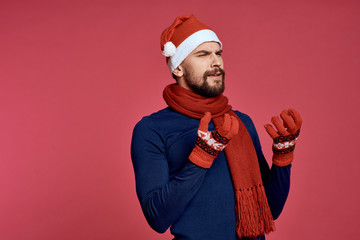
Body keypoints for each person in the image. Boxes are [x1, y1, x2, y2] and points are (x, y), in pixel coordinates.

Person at [131, 14, 302, 240]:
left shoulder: (240, 122)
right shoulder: (152, 129)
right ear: (179, 68)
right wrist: (201, 158)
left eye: (218, 53)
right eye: (203, 54)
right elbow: (157, 218)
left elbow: (271, 210)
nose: (216, 62)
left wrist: (283, 158)